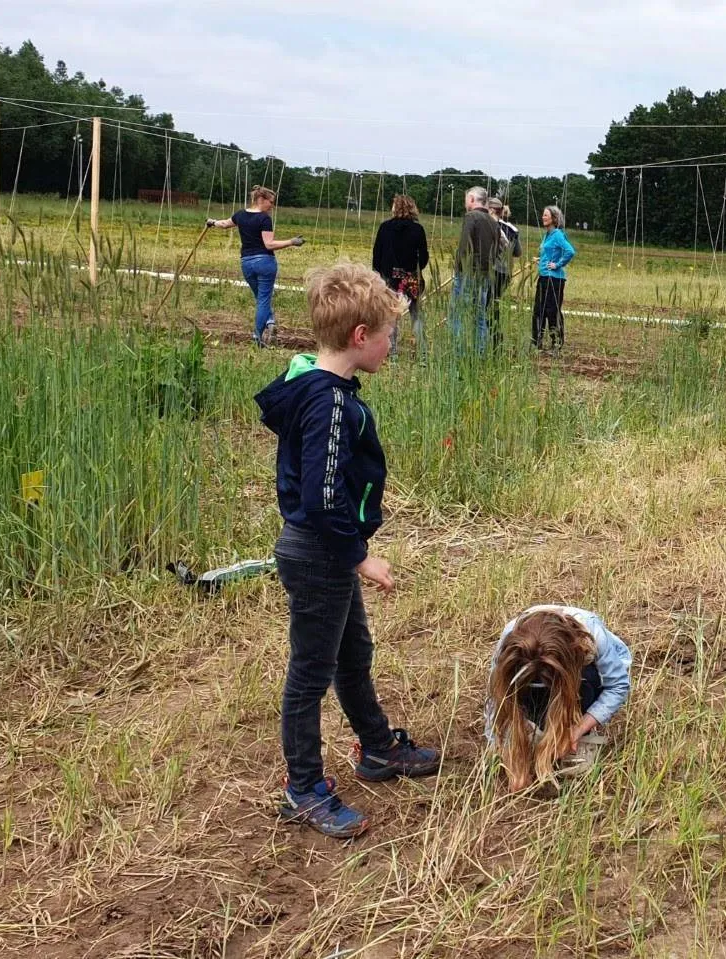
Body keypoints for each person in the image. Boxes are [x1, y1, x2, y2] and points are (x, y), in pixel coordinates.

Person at [253, 263, 440, 839]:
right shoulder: (329, 403)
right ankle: (303, 789)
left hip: (325, 549)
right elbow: (322, 494)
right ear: (361, 336)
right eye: (388, 335)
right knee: (310, 673)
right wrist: (359, 557)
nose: (391, 345)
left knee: (352, 652)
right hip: (320, 552)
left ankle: (377, 747)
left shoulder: (315, 384)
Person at [485, 605, 632, 793]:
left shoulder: (593, 633)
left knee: (588, 678)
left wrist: (577, 730)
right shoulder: (511, 638)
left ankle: (575, 728)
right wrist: (505, 749)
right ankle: (538, 726)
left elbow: (618, 686)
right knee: (523, 692)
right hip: (550, 678)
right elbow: (496, 696)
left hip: (581, 678)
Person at [208, 185, 304, 347]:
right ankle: (257, 336)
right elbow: (269, 244)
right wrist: (292, 242)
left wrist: (212, 222)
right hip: (265, 263)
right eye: (271, 202)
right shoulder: (264, 219)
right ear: (261, 199)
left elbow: (224, 224)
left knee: (260, 297)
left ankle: (270, 321)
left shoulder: (240, 215)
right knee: (264, 300)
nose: (272, 206)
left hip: (246, 263)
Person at [371, 194, 429, 356]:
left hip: (389, 278)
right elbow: (423, 257)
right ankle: (423, 353)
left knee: (391, 316)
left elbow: (377, 254)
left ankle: (393, 353)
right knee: (416, 314)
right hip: (410, 279)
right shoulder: (418, 230)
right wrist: (416, 270)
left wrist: (379, 273)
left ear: (395, 208)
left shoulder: (385, 228)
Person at [449, 186, 503, 354]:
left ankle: (458, 353)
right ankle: (479, 353)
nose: (465, 203)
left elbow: (465, 246)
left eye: (466, 199)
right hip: (485, 275)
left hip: (467, 274)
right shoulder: (493, 222)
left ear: (472, 199)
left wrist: (459, 268)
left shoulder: (471, 217)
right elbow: (498, 250)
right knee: (480, 316)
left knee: (457, 314)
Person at [533, 205, 575, 350]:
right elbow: (550, 252)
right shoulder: (547, 234)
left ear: (554, 218)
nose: (543, 217)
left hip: (554, 279)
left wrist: (557, 264)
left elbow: (570, 251)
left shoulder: (557, 234)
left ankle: (556, 342)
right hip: (544, 277)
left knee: (552, 311)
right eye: (543, 215)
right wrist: (541, 260)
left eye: (546, 215)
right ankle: (536, 342)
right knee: (538, 310)